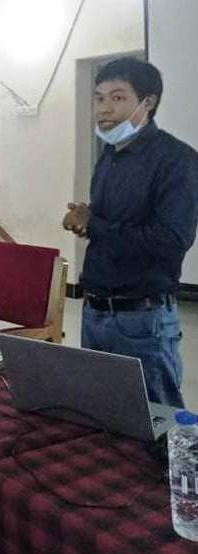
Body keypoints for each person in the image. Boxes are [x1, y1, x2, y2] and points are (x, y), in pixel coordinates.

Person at [63, 57, 198, 408]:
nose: (104, 109)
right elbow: (114, 228)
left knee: (157, 424)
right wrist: (86, 224)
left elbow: (171, 242)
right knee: (101, 417)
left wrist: (96, 224)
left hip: (143, 320)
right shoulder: (109, 155)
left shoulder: (177, 160)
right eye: (99, 98)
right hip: (94, 311)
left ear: (148, 102)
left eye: (118, 97)